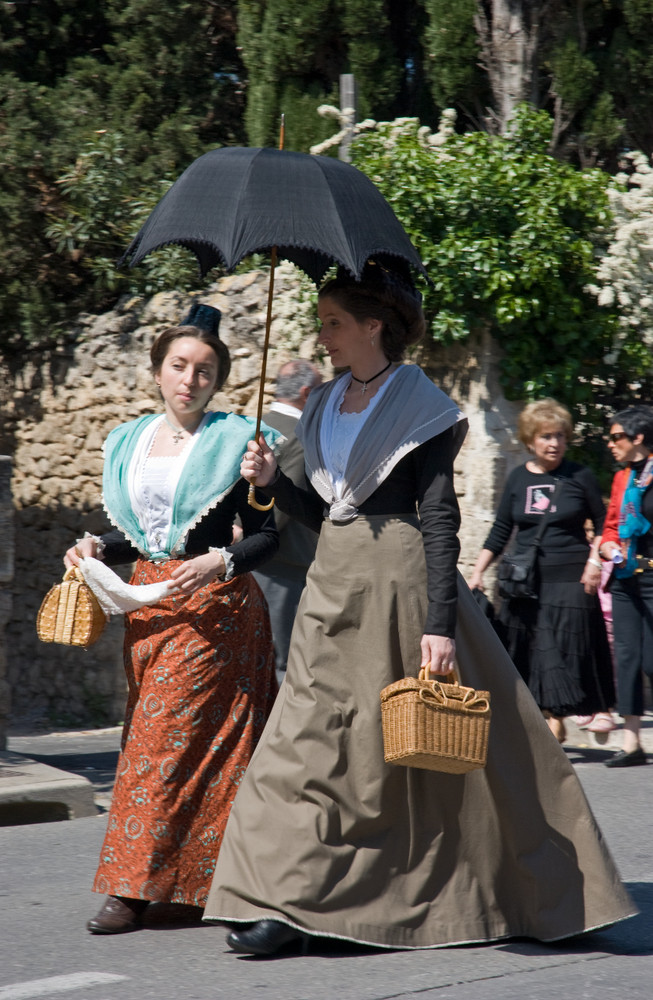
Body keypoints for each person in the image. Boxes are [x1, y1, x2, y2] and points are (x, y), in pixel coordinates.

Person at [201, 264, 634, 955]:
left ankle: (546, 892)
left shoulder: (421, 406)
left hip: (401, 586)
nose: (324, 335)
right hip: (332, 584)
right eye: (322, 323)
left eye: (334, 322)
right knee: (299, 746)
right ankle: (273, 899)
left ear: (375, 326)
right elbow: (324, 512)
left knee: (423, 758)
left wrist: (439, 625)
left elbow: (438, 518)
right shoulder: (320, 404)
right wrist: (270, 482)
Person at [63, 303, 280, 934]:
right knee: (169, 745)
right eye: (179, 366)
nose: (191, 379)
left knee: (167, 745)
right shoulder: (130, 443)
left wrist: (226, 551)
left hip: (214, 612)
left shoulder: (239, 441)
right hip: (148, 610)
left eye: (205, 371)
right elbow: (143, 536)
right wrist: (99, 547)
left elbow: (265, 537)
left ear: (218, 380)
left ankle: (131, 889)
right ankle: (189, 886)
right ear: (158, 371)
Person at [468, 399, 615, 745]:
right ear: (530, 440)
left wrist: (595, 563)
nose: (554, 443)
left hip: (571, 579)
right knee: (532, 649)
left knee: (566, 648)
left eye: (560, 436)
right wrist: (476, 573)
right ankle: (550, 715)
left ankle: (566, 712)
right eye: (546, 436)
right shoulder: (518, 478)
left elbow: (604, 523)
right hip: (526, 583)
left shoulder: (580, 476)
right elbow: (501, 531)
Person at [253, 360, 323, 672]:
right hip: (284, 564)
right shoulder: (301, 435)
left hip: (245, 558)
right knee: (285, 663)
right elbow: (283, 501)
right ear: (307, 393)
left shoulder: (253, 424)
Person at [598, 405, 653, 767]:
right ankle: (631, 742)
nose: (610, 444)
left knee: (651, 658)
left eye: (617, 437)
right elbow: (612, 526)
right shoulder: (622, 479)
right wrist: (606, 546)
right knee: (628, 657)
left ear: (639, 438)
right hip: (625, 577)